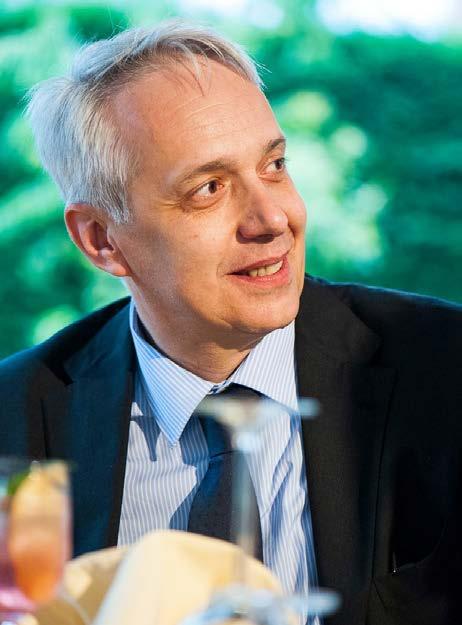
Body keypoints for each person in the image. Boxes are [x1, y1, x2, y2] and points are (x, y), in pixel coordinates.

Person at [0, 20, 461, 625]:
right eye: (209, 188)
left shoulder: (446, 370)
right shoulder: (14, 423)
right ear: (102, 240)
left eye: (275, 165)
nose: (272, 219)